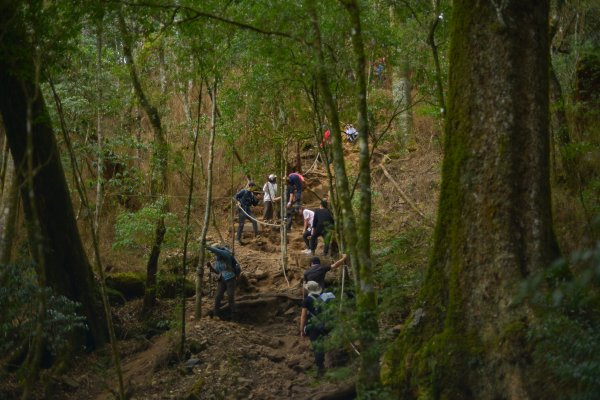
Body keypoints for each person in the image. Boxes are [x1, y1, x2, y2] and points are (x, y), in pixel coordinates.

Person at [300, 280, 335, 376]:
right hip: (326, 324)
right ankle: (330, 361)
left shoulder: (307, 300)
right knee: (322, 343)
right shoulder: (324, 296)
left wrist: (301, 330)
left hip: (314, 326)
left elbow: (303, 316)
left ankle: (320, 368)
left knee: (317, 346)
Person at [206, 243, 241, 320]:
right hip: (221, 279)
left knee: (230, 297)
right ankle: (216, 315)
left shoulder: (226, 254)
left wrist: (207, 246)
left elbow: (217, 251)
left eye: (215, 253)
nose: (215, 254)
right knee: (218, 297)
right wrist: (210, 266)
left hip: (230, 279)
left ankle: (234, 317)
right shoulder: (217, 260)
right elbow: (217, 271)